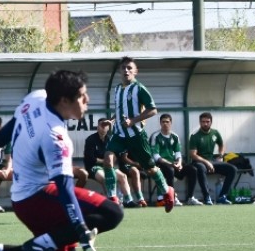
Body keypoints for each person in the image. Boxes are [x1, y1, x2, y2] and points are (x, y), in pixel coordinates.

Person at [0, 70, 124, 251]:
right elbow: (64, 189)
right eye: (82, 96)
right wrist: (80, 228)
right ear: (64, 100)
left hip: (23, 201)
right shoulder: (56, 136)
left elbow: (13, 124)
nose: (87, 99)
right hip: (38, 199)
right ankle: (39, 245)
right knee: (112, 212)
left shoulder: (37, 97)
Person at [103, 56, 175, 213]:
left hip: (136, 136)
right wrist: (112, 121)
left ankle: (167, 191)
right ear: (119, 71)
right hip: (120, 135)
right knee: (108, 160)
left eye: (130, 68)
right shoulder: (116, 89)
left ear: (135, 71)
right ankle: (112, 198)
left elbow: (153, 110)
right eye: (123, 68)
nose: (126, 70)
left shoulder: (139, 88)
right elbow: (121, 110)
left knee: (150, 169)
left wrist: (133, 121)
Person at [84, 117, 141, 208]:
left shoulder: (110, 139)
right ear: (97, 127)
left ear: (108, 128)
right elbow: (91, 158)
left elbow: (116, 156)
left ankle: (129, 200)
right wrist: (105, 161)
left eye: (105, 125)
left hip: (108, 166)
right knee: (105, 178)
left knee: (123, 176)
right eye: (101, 125)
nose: (103, 127)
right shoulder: (90, 140)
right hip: (94, 167)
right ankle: (111, 201)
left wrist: (109, 162)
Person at [150, 113, 199, 206]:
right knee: (170, 170)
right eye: (163, 122)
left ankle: (190, 198)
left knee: (193, 170)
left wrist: (179, 163)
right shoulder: (156, 136)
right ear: (160, 123)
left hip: (174, 164)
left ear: (171, 123)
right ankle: (172, 198)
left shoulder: (175, 136)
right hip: (161, 164)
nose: (165, 124)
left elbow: (178, 153)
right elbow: (156, 156)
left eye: (167, 122)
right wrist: (171, 164)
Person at [189, 112, 237, 205]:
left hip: (212, 161)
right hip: (198, 162)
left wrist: (220, 155)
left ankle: (222, 197)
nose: (205, 124)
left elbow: (221, 144)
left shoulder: (215, 133)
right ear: (200, 122)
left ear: (211, 122)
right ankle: (207, 197)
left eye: (207, 121)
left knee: (232, 169)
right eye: (203, 122)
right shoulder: (195, 136)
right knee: (200, 168)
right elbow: (193, 154)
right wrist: (207, 163)